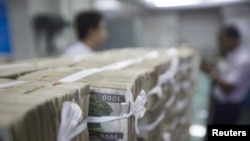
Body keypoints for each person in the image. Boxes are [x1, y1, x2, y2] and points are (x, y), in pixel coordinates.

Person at [201, 25, 250, 125]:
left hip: (230, 108)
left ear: (233, 39)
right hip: (220, 104)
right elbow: (223, 74)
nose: (219, 43)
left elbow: (228, 88)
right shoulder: (230, 55)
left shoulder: (243, 60)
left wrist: (209, 72)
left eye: (221, 39)